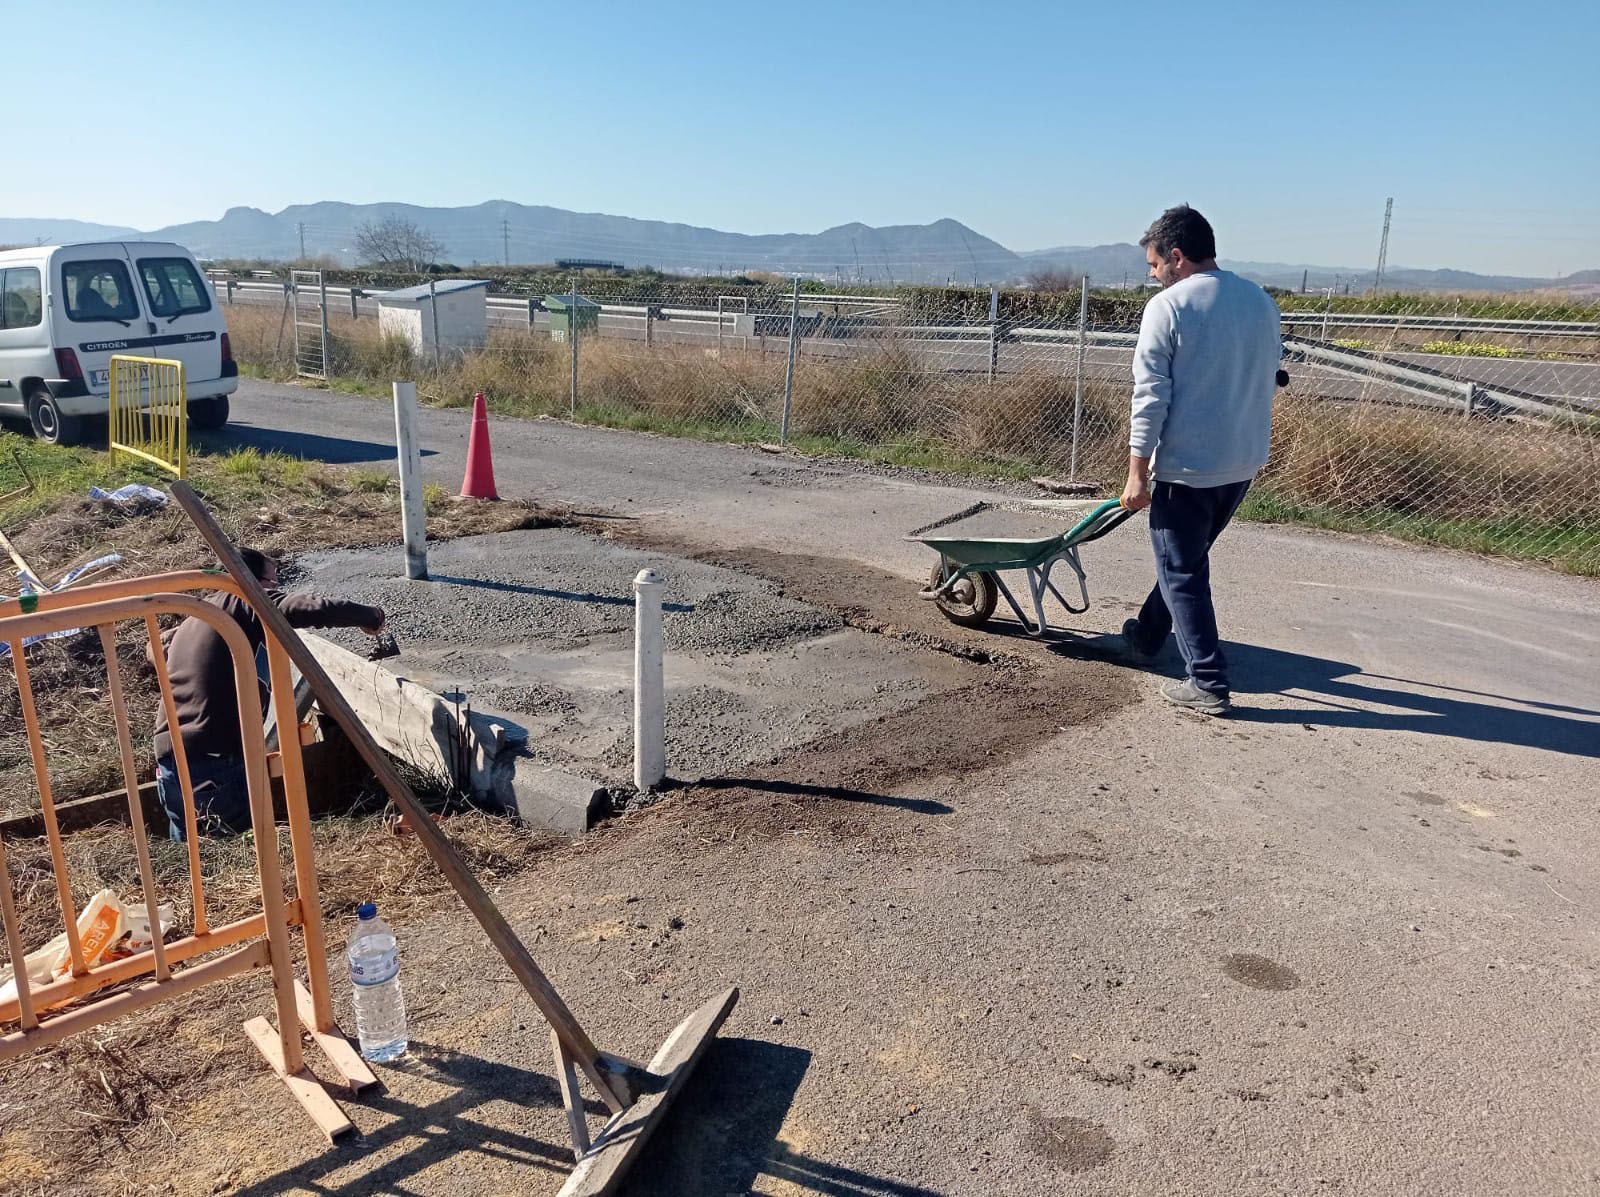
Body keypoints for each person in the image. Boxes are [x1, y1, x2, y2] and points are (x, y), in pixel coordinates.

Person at [1118, 205, 1281, 715]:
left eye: (1153, 264)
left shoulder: (1168, 307)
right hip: (1242, 461)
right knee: (1182, 560)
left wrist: (1137, 473)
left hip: (1189, 468)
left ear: (1176, 256)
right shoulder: (1259, 301)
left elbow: (1150, 396)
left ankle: (1206, 681)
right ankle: (1148, 635)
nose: (1151, 275)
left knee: (1182, 568)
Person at [151, 548, 386, 839]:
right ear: (252, 581)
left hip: (170, 761)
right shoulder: (243, 603)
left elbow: (158, 646)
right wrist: (369, 615)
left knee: (194, 855)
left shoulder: (196, 618)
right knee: (235, 851)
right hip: (214, 761)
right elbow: (301, 607)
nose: (276, 588)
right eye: (273, 582)